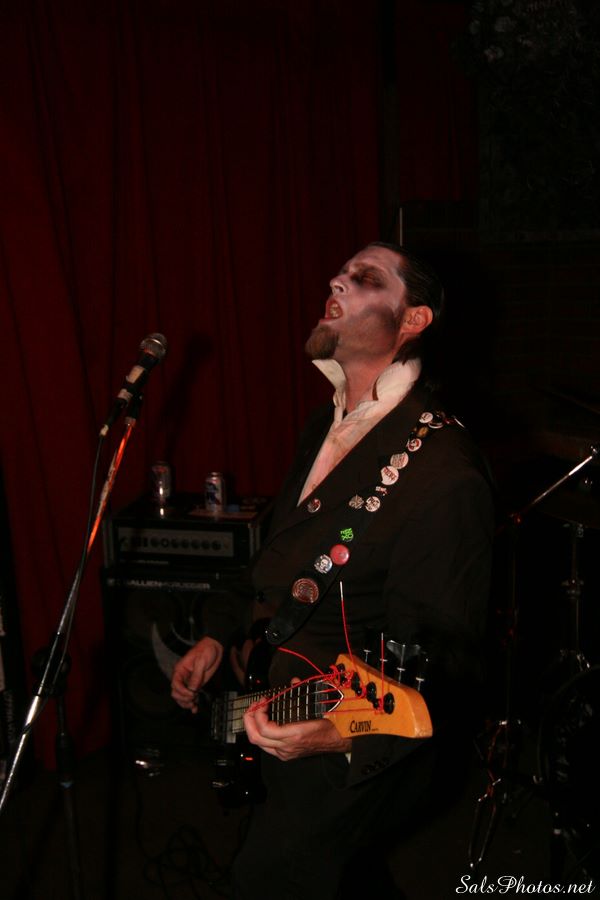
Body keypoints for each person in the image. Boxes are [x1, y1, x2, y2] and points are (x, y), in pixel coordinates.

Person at [171, 242, 494, 899]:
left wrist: (336, 734)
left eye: (364, 278)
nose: (335, 281)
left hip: (347, 750)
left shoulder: (444, 473)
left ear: (413, 320)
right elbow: (278, 558)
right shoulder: (329, 422)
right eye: (340, 272)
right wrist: (218, 632)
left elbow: (441, 663)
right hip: (278, 707)